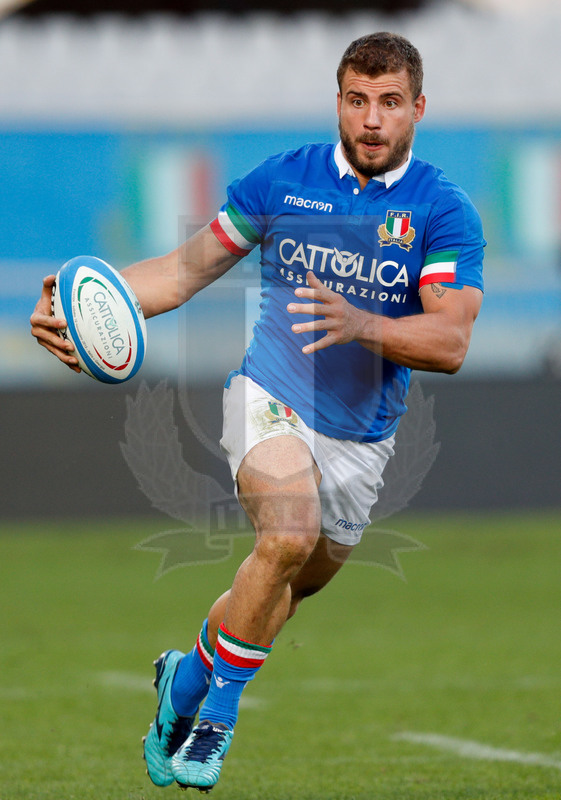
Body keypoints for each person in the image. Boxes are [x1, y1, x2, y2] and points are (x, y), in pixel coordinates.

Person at [30, 32, 484, 793]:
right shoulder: (284, 180)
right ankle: (215, 722)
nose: (371, 119)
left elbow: (450, 340)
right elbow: (181, 273)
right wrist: (89, 304)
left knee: (283, 592)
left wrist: (363, 324)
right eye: (356, 100)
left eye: (390, 103)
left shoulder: (441, 209)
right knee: (286, 532)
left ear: (416, 108)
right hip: (272, 396)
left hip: (363, 438)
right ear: (338, 101)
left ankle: (184, 682)